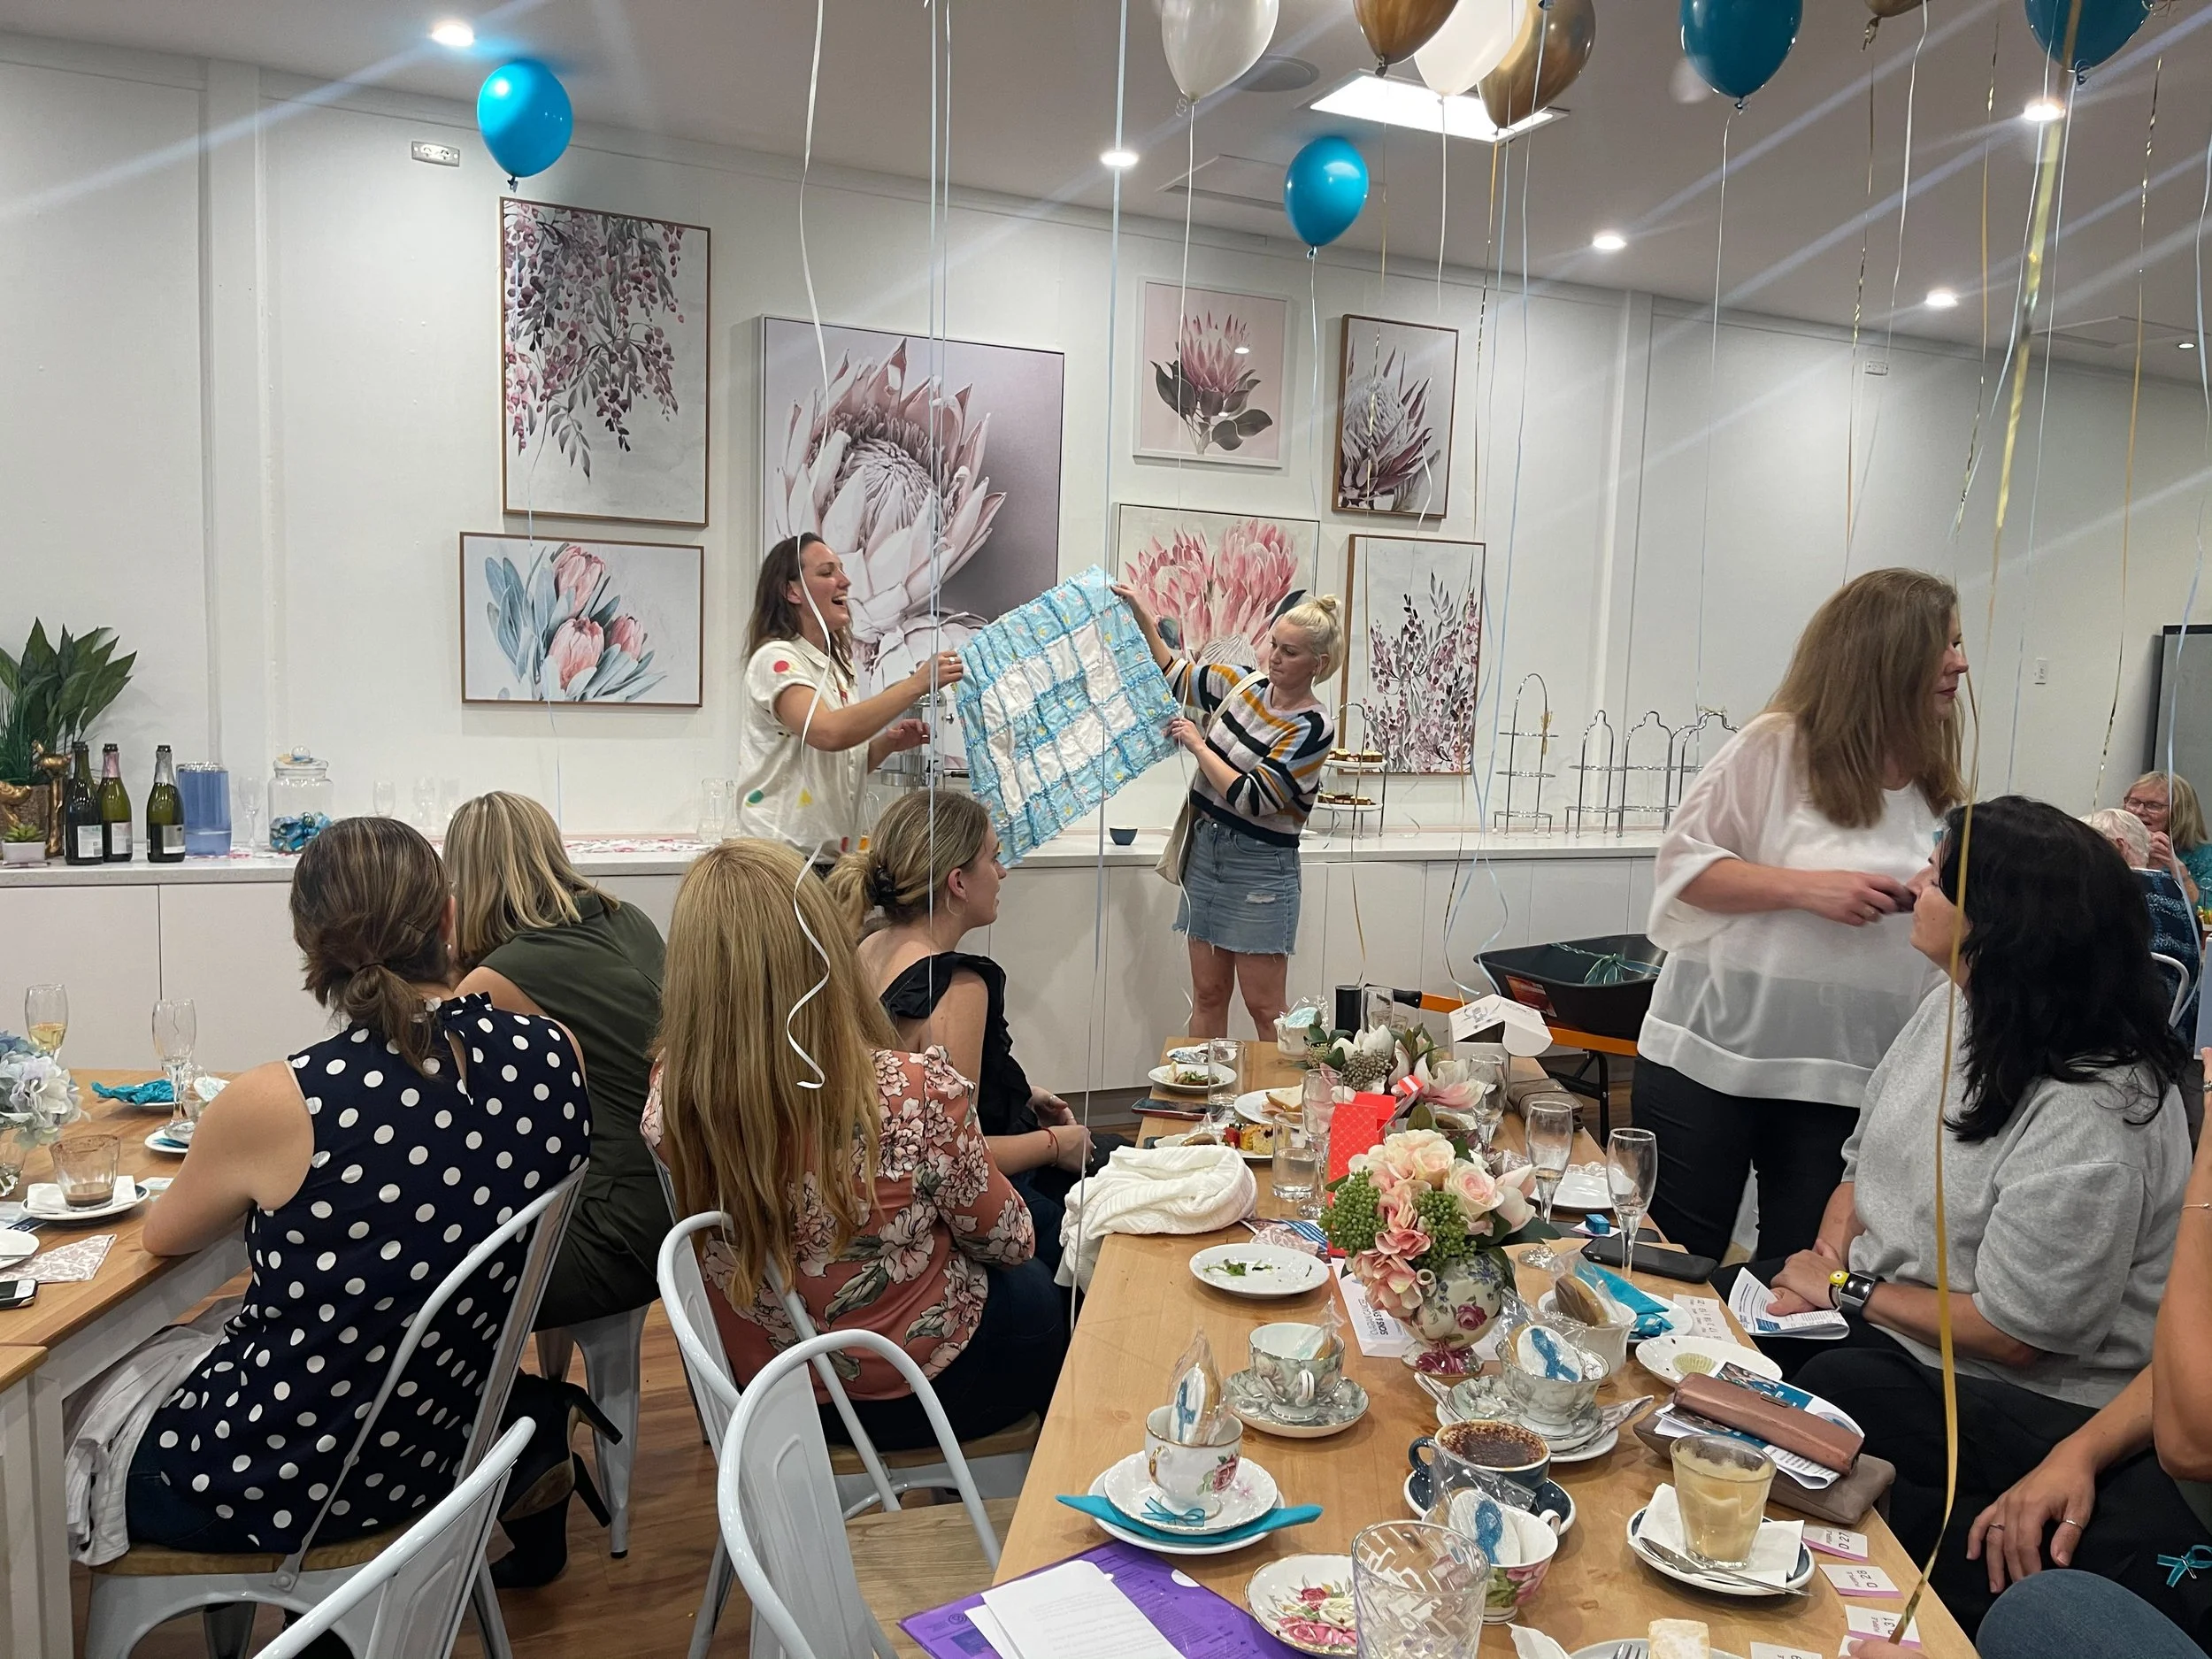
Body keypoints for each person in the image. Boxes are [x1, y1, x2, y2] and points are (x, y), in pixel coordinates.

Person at [1740, 798, 2196, 1640]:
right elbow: (1859, 1166)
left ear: (1999, 927)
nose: (1916, 884)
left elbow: (2020, 1333)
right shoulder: (1956, 1006)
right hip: (1895, 1332)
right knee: (1737, 1362)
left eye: (1937, 875)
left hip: (2019, 1390)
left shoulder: (2096, 1107)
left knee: (1822, 1400)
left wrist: (1844, 1287)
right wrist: (1826, 1258)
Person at [127, 817, 588, 1559]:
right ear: (447, 915)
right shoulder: (555, 1052)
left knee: (68, 1423)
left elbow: (162, 1236)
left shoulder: (281, 1100)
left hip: (289, 1475)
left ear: (311, 943)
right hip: (450, 1441)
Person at [649, 837, 1067, 1451]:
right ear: (821, 952)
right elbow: (1008, 1239)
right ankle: (1052, 1507)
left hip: (765, 1393)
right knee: (1045, 1283)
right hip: (908, 1389)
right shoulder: (916, 1091)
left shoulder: (668, 1098)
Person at [1633, 567, 1967, 1263]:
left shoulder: (1936, 782)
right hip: (1712, 1061)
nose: (1961, 663)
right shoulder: (1776, 744)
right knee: (1675, 1262)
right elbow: (1684, 869)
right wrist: (1810, 889)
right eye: (1946, 646)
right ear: (1888, 655)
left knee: (1799, 1284)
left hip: (1848, 1075)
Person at [1848, 1050, 2212, 1657]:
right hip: (2158, 1464)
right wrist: (2079, 1453)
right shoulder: (1950, 1016)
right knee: (1856, 1403)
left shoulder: (2100, 1100)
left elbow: (2190, 1440)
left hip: (2181, 1494)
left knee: (2031, 1603)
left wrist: (2204, 1185)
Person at [828, 790, 1104, 1271]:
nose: (1002, 872)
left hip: (882, 1184)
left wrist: (1019, 1091)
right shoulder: (956, 986)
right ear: (957, 882)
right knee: (1118, 1201)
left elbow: (905, 1097)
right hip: (954, 1207)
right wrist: (1060, 1144)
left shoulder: (867, 946)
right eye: (994, 858)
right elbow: (957, 1154)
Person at [446, 791, 672, 1330]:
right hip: (683, 1198)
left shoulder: (493, 980)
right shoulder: (629, 918)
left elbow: (452, 1108)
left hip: (615, 1218)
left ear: (465, 879)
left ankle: (517, 1408)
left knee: (434, 1279)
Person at [1116, 584, 1341, 1038]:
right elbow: (1176, 674)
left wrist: (1198, 745)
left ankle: (1281, 1108)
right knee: (1209, 996)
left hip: (1259, 867)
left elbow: (1253, 797)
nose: (1275, 657)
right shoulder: (1244, 686)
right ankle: (1203, 1104)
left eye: (1290, 652)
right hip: (1206, 852)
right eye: (1274, 644)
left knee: (1266, 1008)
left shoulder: (1313, 726)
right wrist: (1143, 611)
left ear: (1318, 665)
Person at [735, 533, 965, 864]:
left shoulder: (837, 669)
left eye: (840, 570)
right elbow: (828, 733)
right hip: (780, 862)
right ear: (792, 592)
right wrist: (916, 685)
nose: (845, 581)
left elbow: (838, 765)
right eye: (827, 572)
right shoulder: (776, 660)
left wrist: (885, 745)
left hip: (828, 858)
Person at [2085, 806, 2200, 1041]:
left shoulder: (2111, 895)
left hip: (2117, 1034)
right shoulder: (2176, 892)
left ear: (2118, 847)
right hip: (2174, 1035)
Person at [2123, 769, 2212, 908]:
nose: (2139, 811)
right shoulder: (2113, 848)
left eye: (2153, 805)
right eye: (2134, 802)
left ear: (2179, 813)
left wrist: (2181, 875)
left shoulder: (2205, 858)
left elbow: (2207, 915)